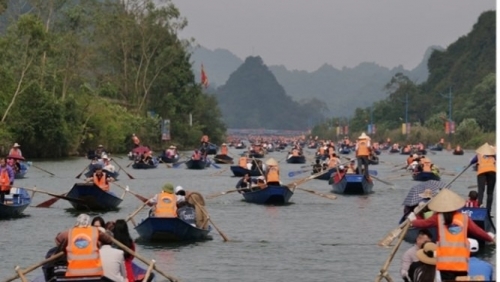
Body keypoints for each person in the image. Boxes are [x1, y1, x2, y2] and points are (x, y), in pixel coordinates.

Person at [408, 189, 495, 281]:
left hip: (444, 264)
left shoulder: (438, 218)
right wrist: (490, 238)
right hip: (461, 264)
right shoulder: (464, 218)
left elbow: (423, 224)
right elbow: (478, 232)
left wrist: (413, 220)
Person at [469, 142, 496, 215]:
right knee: (490, 193)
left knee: (481, 190)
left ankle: (480, 206)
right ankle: (488, 210)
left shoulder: (479, 154)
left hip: (481, 172)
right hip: (492, 172)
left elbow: (472, 161)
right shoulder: (493, 154)